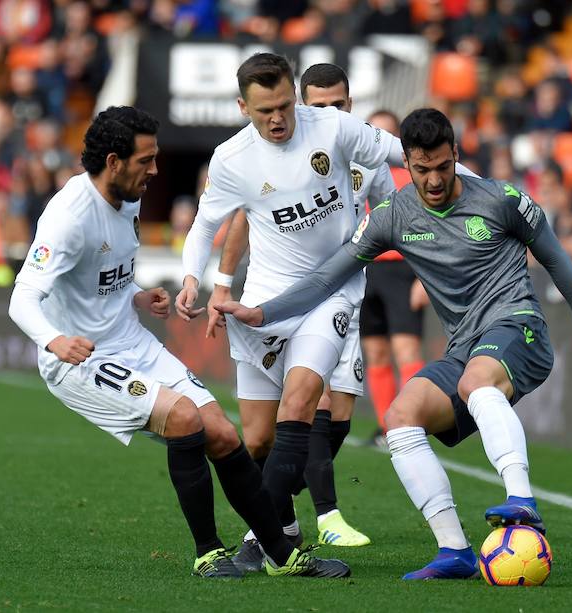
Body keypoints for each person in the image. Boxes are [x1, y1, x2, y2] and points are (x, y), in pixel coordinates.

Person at [215, 108, 572, 580]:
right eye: (422, 170)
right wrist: (262, 312)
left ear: (456, 156)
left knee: (477, 383)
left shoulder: (502, 199)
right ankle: (455, 550)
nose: (435, 180)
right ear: (406, 162)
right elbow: (326, 278)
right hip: (464, 348)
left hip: (516, 326)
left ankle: (522, 501)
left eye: (443, 167)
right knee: (401, 417)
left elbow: (555, 256)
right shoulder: (393, 216)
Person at [8, 105, 350, 579]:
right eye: (146, 160)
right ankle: (209, 552)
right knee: (185, 420)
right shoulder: (68, 217)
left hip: (131, 341)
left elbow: (97, 276)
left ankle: (282, 556)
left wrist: (135, 294)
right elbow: (22, 297)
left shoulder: (127, 198)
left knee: (225, 433)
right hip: (81, 359)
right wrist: (54, 341)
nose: (155, 170)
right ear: (113, 162)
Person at [176, 54, 478, 572]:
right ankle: (285, 529)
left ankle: (262, 541)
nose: (278, 118)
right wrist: (194, 279)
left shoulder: (334, 127)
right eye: (264, 110)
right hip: (264, 301)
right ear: (242, 106)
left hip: (331, 292)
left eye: (284, 105)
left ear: (295, 94)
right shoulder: (231, 159)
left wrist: (488, 191)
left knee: (301, 398)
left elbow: (414, 157)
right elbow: (208, 226)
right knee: (258, 439)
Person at [203, 63, 389, 550]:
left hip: (342, 293)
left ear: (350, 105)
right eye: (318, 105)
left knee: (328, 412)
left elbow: (398, 208)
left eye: (338, 105)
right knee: (283, 422)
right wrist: (219, 283)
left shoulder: (359, 148)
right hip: (280, 300)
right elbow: (237, 221)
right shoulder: (248, 159)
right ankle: (302, 517)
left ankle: (289, 516)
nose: (327, 113)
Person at [359, 109, 428, 448]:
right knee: (375, 351)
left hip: (404, 268)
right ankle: (387, 425)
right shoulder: (356, 172)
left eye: (387, 132)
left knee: (405, 349)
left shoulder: (412, 176)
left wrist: (424, 278)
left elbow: (430, 230)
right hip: (366, 268)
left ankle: (410, 423)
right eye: (374, 131)